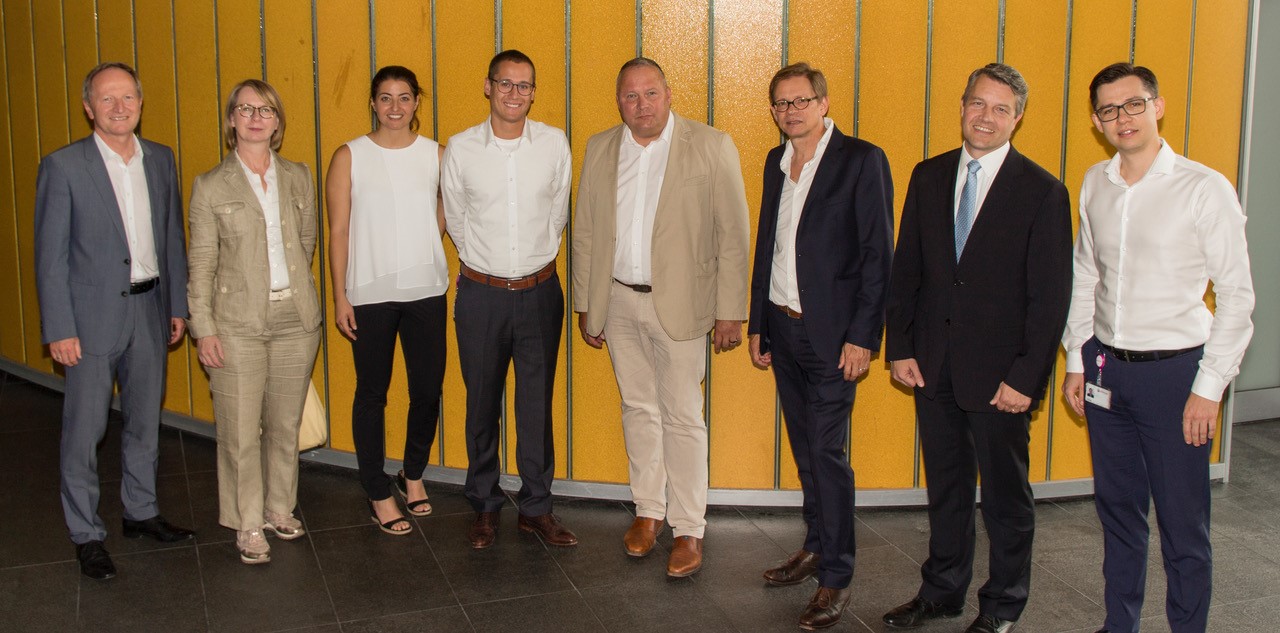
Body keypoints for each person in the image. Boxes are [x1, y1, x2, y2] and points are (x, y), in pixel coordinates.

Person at [1062, 62, 1255, 633]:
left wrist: (1209, 389)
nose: (1122, 117)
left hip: (1177, 379)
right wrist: (1076, 358)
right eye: (1109, 109)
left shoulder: (1204, 187)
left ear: (1158, 106)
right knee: (1118, 514)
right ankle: (1118, 624)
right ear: (1097, 121)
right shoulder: (1095, 182)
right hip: (1105, 372)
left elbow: (1237, 296)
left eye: (1134, 104)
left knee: (1182, 524)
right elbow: (1085, 276)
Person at [883, 63, 1073, 633]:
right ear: (962, 105)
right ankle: (942, 591)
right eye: (977, 103)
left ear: (1018, 118)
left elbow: (1049, 298)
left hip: (1001, 379)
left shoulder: (1043, 191)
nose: (985, 116)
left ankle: (1003, 605)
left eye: (1000, 108)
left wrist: (1026, 378)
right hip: (931, 366)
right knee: (946, 490)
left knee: (1007, 500)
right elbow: (907, 268)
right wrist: (901, 346)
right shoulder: (929, 175)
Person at [572, 57, 751, 577]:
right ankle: (648, 511)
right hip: (617, 301)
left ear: (669, 95)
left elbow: (733, 234)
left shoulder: (711, 145)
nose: (642, 104)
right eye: (630, 96)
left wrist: (730, 311)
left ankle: (689, 527)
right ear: (619, 102)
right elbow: (585, 231)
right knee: (637, 408)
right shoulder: (601, 147)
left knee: (683, 417)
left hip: (684, 304)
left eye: (651, 93)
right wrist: (587, 304)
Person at [746, 62, 893, 630]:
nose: (791, 111)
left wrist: (863, 337)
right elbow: (768, 242)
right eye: (781, 103)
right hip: (783, 329)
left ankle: (836, 574)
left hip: (834, 338)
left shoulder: (861, 160)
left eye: (801, 100)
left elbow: (878, 255)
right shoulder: (775, 161)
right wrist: (759, 322)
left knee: (827, 455)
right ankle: (814, 546)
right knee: (806, 449)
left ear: (824, 103)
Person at [34, 62, 194, 580]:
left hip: (150, 310)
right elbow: (50, 257)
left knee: (145, 421)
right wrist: (59, 327)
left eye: (128, 97)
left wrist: (176, 305)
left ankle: (140, 511)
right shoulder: (63, 167)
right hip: (88, 320)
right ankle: (86, 534)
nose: (119, 107)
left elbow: (171, 237)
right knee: (85, 431)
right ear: (89, 108)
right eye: (107, 99)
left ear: (141, 103)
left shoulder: (160, 159)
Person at [441, 50, 576, 549]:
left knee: (536, 405)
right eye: (505, 83)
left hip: (540, 293)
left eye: (524, 85)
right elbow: (456, 219)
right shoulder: (461, 148)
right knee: (481, 403)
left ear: (534, 92)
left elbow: (558, 214)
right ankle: (484, 504)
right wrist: (486, 266)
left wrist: (533, 262)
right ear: (488, 86)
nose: (514, 93)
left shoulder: (554, 143)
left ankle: (536, 507)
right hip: (482, 295)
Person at [187, 79, 323, 564]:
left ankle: (279, 507)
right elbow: (201, 262)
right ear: (231, 119)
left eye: (265, 110)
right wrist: (204, 328)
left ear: (277, 121)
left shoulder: (298, 175)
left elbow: (306, 243)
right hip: (236, 324)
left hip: (296, 320)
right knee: (240, 431)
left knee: (285, 424)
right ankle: (247, 523)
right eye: (245, 109)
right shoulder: (210, 186)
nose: (255, 118)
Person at [327, 65, 449, 538]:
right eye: (385, 97)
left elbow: (447, 207)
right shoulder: (349, 156)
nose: (394, 107)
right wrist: (340, 296)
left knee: (427, 390)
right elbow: (339, 230)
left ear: (416, 101)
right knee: (371, 393)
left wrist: (425, 241)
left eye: (404, 97)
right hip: (369, 293)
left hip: (425, 290)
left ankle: (412, 474)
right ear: (373, 103)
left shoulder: (436, 154)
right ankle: (377, 490)